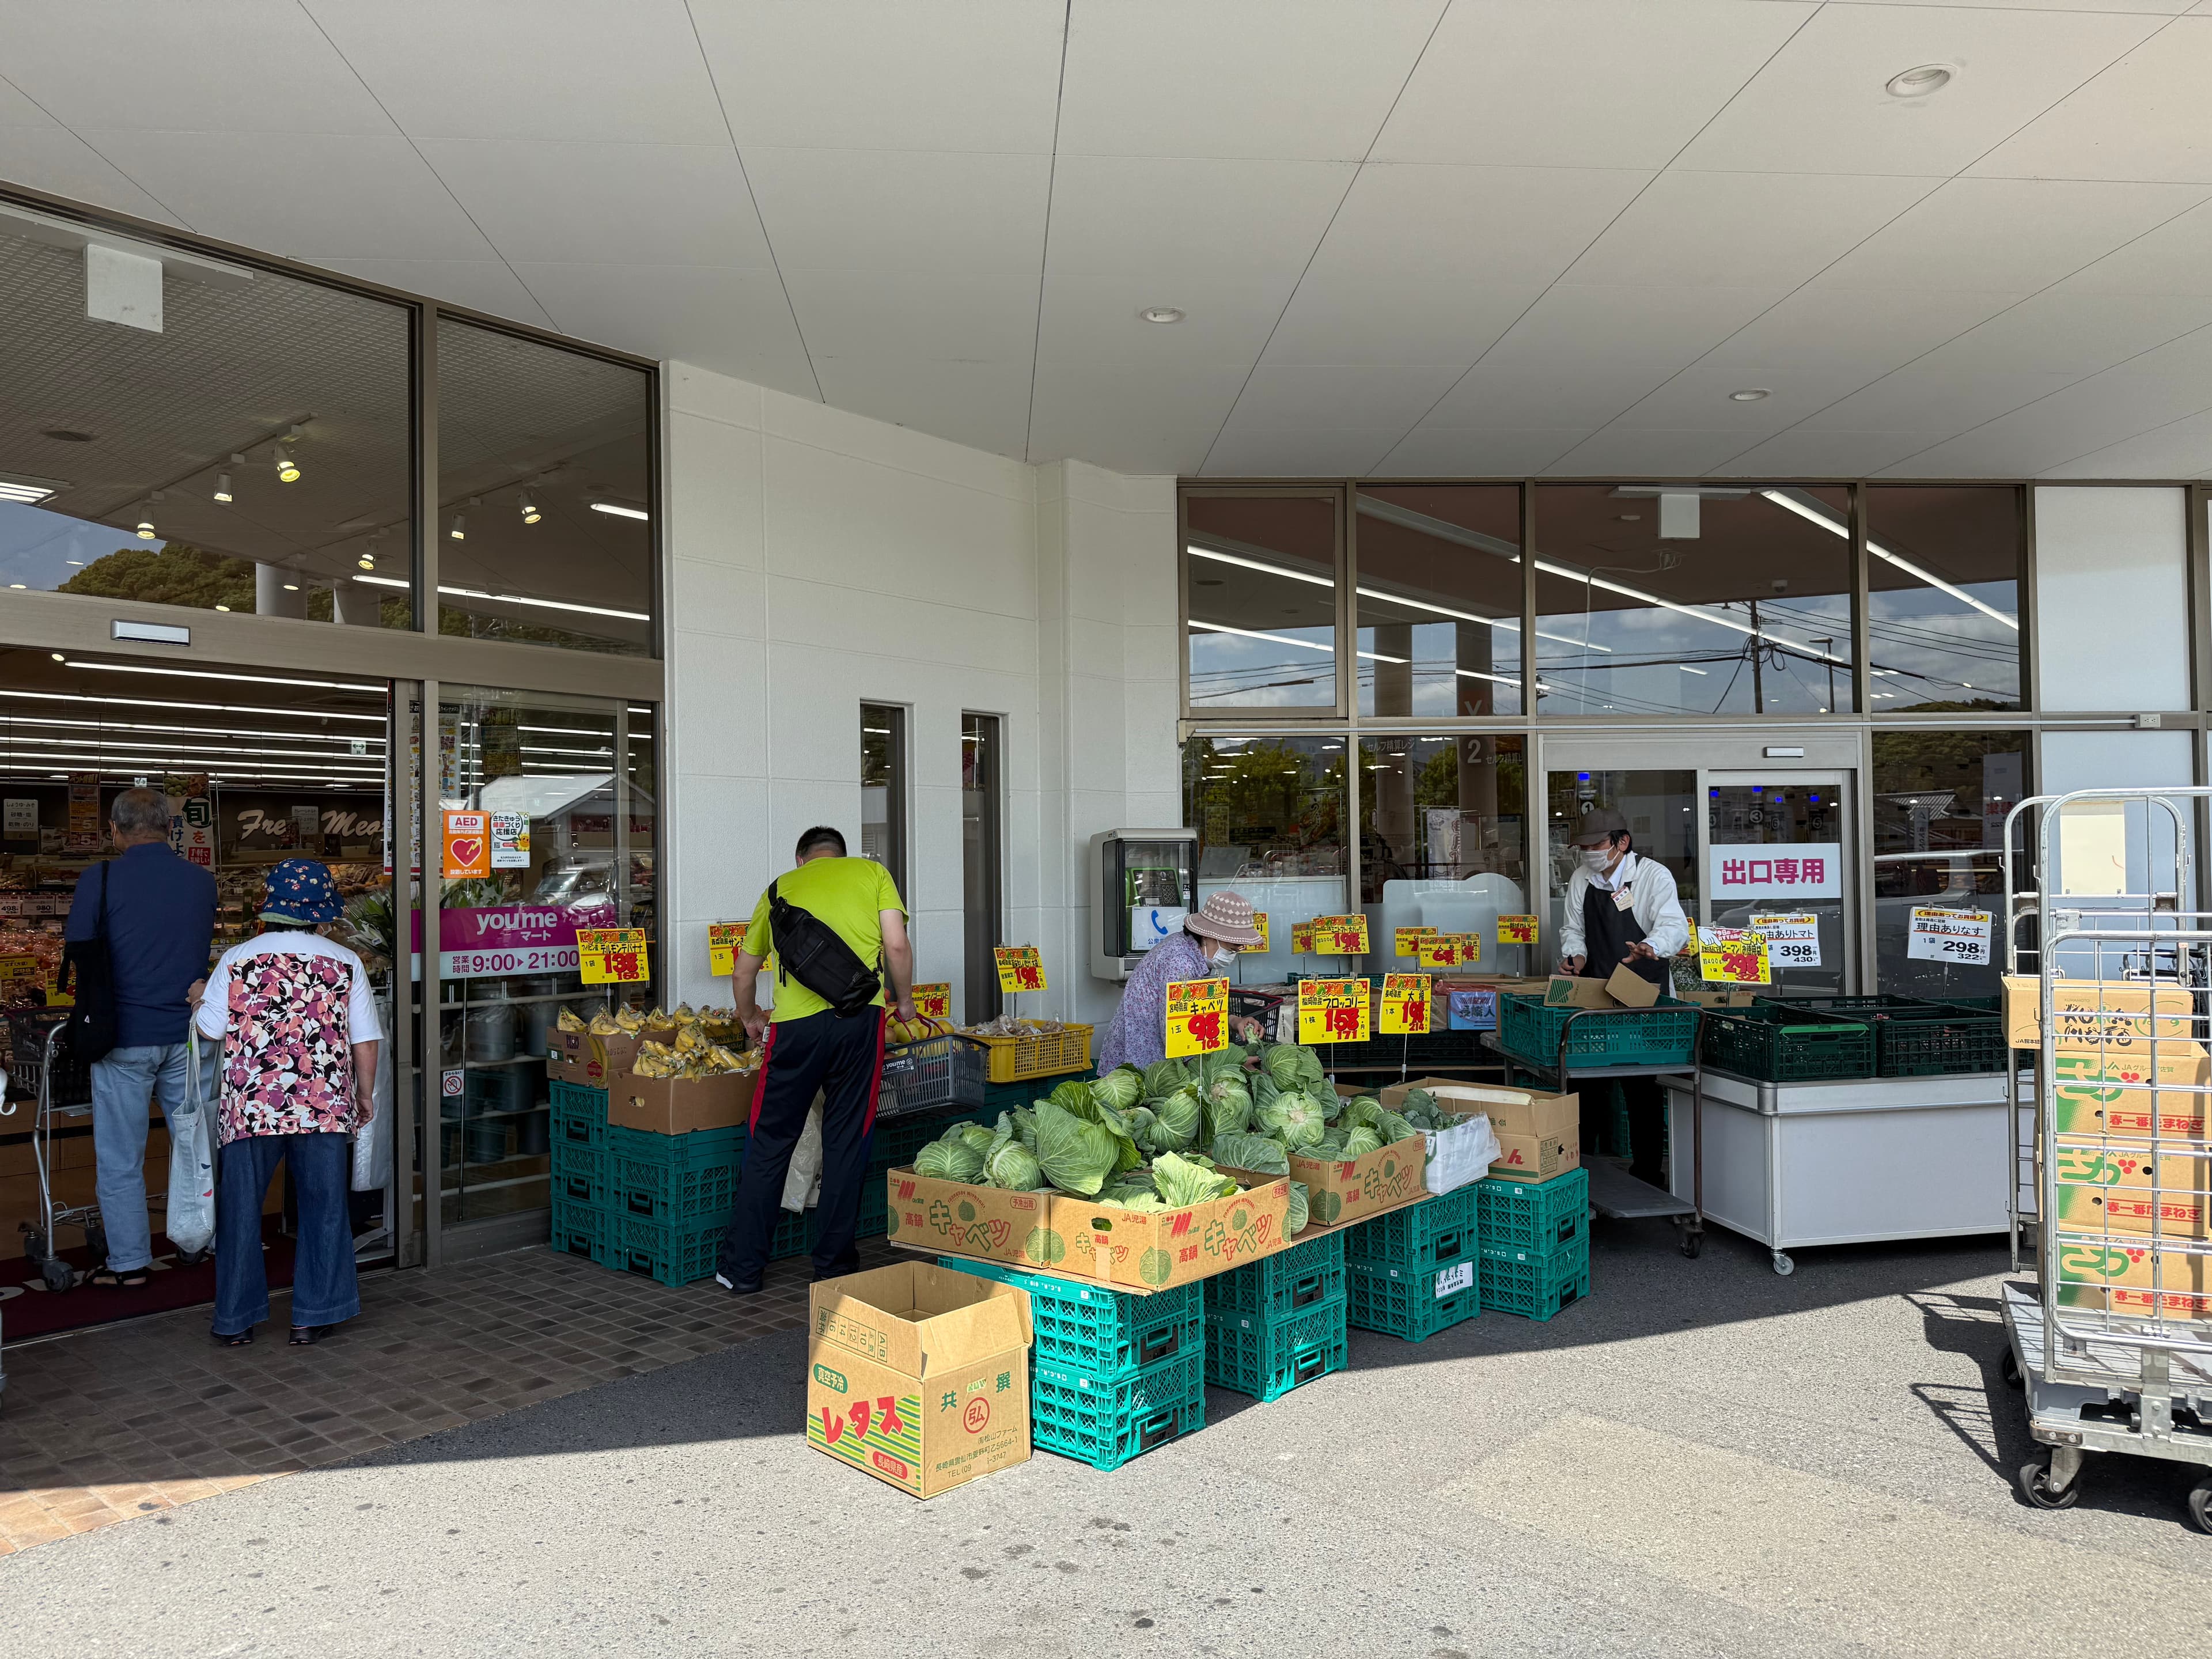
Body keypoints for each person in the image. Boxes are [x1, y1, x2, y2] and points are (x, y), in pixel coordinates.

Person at [716, 826, 914, 1294]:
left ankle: (742, 1270)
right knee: (847, 1141)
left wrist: (749, 1019)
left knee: (770, 1142)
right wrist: (902, 1002)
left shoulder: (779, 889)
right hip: (860, 1024)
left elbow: (744, 973)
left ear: (802, 859)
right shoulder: (873, 873)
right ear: (841, 856)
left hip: (794, 1032)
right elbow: (898, 946)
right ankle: (834, 1265)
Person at [193, 859, 381, 1347]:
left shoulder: (237, 958)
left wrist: (199, 998)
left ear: (268, 907)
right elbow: (364, 1040)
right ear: (323, 913)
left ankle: (236, 1320)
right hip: (322, 1105)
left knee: (240, 1211)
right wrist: (364, 1094)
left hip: (251, 1106)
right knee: (324, 1208)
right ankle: (312, 1315)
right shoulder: (345, 962)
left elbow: (211, 1031)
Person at [65, 786, 217, 1289]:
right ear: (171, 827)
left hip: (121, 1037)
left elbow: (80, 949)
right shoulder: (201, 882)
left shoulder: (99, 879)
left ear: (114, 829)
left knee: (120, 1157)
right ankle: (199, 1241)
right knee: (194, 1145)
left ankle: (130, 1262)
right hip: (188, 1035)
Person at [1557, 806, 1688, 1188]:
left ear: (1621, 842)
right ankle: (1582, 1175)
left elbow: (1673, 925)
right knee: (1587, 1086)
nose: (1590, 853)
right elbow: (1572, 927)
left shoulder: (1652, 876)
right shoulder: (1583, 878)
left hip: (1642, 993)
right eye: (1584, 847)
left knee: (1642, 1088)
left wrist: (1651, 946)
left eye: (1597, 845)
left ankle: (1647, 1172)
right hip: (1595, 995)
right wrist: (1575, 955)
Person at [1097, 891, 1266, 1074]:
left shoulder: (1193, 952)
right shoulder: (1179, 961)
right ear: (1209, 936)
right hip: (1141, 1064)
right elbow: (1180, 1035)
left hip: (1156, 1062)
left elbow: (1196, 1014)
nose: (1235, 952)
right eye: (1232, 947)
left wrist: (1235, 1021)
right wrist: (1231, 1063)